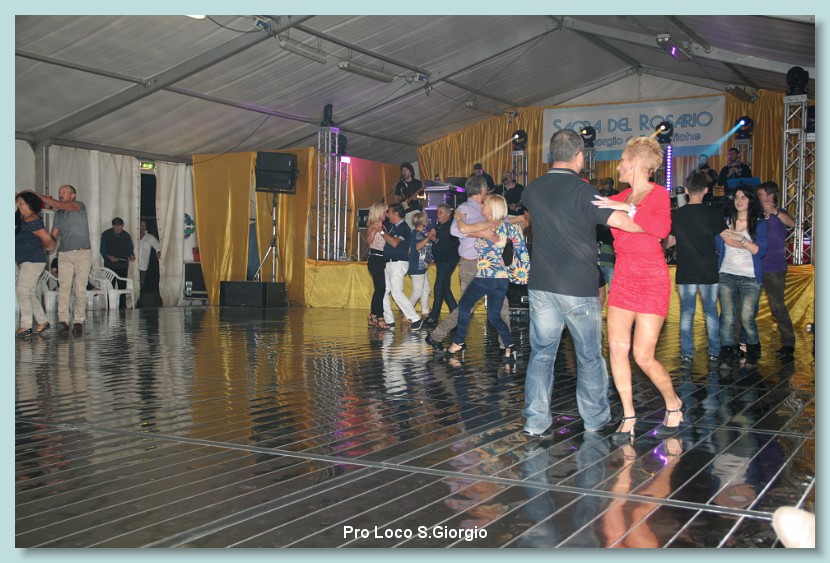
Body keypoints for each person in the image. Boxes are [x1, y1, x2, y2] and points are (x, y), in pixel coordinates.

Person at [520, 129, 641, 439]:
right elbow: (623, 223)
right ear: (579, 156)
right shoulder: (584, 192)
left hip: (542, 284)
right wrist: (638, 211)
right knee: (588, 356)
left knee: (541, 354)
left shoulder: (532, 189)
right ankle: (595, 419)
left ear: (552, 154)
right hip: (578, 286)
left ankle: (535, 422)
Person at [593, 135, 682, 442]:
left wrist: (628, 210)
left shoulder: (658, 194)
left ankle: (673, 402)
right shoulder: (619, 196)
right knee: (617, 348)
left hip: (651, 277)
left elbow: (661, 230)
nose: (618, 166)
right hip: (623, 275)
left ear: (635, 163)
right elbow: (622, 225)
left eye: (622, 161)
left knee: (643, 356)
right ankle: (629, 414)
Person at [425, 175, 511, 350]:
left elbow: (504, 222)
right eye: (487, 189)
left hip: (489, 264)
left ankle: (506, 345)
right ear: (482, 190)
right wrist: (482, 233)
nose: (488, 192)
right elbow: (455, 230)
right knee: (466, 307)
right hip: (471, 264)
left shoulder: (487, 208)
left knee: (502, 305)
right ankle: (436, 336)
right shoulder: (465, 208)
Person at [443, 194, 529, 361]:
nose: (481, 206)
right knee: (494, 315)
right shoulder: (503, 225)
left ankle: (458, 341)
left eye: (484, 204)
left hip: (486, 276)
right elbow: (520, 227)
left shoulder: (489, 224)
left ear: (491, 208)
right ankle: (510, 345)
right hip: (501, 278)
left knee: (464, 306)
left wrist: (458, 217)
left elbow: (463, 229)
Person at [665, 172, 726, 367]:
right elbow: (726, 237)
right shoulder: (713, 213)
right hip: (708, 268)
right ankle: (714, 353)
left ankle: (687, 354)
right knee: (711, 312)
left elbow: (670, 242)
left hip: (687, 269)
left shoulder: (677, 215)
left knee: (687, 313)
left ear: (686, 190)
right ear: (706, 190)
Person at [716, 186, 768, 368]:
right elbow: (721, 244)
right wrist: (741, 242)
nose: (739, 201)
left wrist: (740, 238)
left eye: (743, 197)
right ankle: (727, 351)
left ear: (750, 201)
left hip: (750, 276)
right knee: (727, 316)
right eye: (737, 197)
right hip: (727, 273)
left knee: (746, 317)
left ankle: (753, 348)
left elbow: (759, 251)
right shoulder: (726, 221)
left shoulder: (759, 224)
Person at [35, 185, 92, 335]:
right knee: (64, 288)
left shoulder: (79, 206)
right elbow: (54, 233)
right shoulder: (59, 214)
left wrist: (39, 196)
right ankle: (63, 321)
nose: (61, 195)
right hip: (65, 254)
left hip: (82, 253)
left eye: (64, 192)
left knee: (80, 288)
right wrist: (49, 242)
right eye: (59, 192)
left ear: (73, 195)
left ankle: (78, 321)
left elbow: (61, 205)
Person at [757, 182, 796, 360]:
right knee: (747, 307)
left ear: (770, 195)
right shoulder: (756, 214)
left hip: (774, 269)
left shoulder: (780, 213)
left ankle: (789, 344)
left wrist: (774, 212)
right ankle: (744, 343)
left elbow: (792, 223)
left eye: (761, 194)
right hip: (756, 267)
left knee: (777, 307)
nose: (758, 197)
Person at [15, 191, 55, 335]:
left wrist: (48, 246)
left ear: (30, 205)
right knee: (30, 293)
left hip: (32, 260)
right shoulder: (21, 218)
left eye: (22, 204)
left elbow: (47, 239)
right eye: (18, 203)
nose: (19, 206)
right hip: (27, 260)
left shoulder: (31, 219)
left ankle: (26, 325)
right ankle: (42, 321)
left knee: (22, 291)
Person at [379, 203, 424, 330]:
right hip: (388, 262)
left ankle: (415, 318)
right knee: (384, 291)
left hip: (398, 263)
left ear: (395, 213)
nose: (387, 215)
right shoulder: (392, 227)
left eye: (389, 212)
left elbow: (394, 243)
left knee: (396, 292)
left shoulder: (404, 227)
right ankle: (389, 320)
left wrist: (381, 232)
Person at [426, 203, 459, 325]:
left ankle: (434, 316)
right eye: (437, 212)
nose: (437, 215)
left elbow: (449, 246)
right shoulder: (440, 226)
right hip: (441, 261)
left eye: (440, 212)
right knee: (444, 288)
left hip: (448, 260)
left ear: (447, 214)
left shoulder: (451, 227)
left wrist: (434, 239)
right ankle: (455, 314)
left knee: (439, 287)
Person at [100, 217, 136, 308]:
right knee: (110, 287)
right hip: (110, 265)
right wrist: (109, 257)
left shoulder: (126, 235)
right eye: (117, 228)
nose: (119, 230)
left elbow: (130, 249)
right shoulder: (106, 234)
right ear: (113, 226)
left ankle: (122, 307)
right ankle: (109, 306)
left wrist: (131, 255)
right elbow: (102, 250)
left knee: (122, 287)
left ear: (123, 226)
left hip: (123, 265)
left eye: (120, 228)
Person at [365, 201, 388, 328]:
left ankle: (373, 315)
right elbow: (369, 241)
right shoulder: (373, 226)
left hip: (382, 258)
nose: (386, 214)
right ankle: (379, 316)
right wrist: (374, 230)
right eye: (384, 212)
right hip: (375, 258)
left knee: (380, 288)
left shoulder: (383, 226)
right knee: (381, 288)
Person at [407, 211, 432, 319]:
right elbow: (417, 247)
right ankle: (406, 312)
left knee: (426, 290)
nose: (428, 220)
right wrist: (428, 238)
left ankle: (425, 312)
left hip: (422, 266)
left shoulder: (420, 234)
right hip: (416, 266)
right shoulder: (415, 234)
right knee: (417, 292)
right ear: (422, 222)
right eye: (426, 219)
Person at [392, 162, 423, 227]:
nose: (404, 172)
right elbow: (396, 197)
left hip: (415, 210)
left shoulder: (417, 183)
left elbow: (424, 196)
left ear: (410, 172)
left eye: (406, 170)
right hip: (405, 211)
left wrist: (417, 198)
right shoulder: (400, 184)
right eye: (402, 171)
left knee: (416, 227)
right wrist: (400, 205)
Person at [137, 219, 161, 300]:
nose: (142, 227)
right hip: (133, 265)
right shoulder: (133, 236)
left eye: (144, 226)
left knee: (141, 284)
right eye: (141, 225)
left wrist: (158, 252)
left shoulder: (149, 237)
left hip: (143, 266)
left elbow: (158, 246)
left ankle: (137, 300)